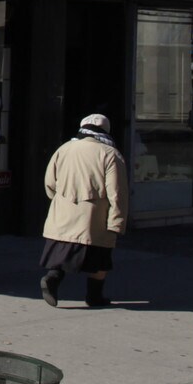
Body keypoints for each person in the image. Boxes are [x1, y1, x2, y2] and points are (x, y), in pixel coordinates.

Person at [41, 112, 129, 308]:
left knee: (60, 252)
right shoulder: (110, 154)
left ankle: (52, 278)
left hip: (62, 214)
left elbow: (49, 183)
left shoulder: (64, 149)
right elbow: (117, 192)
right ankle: (94, 296)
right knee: (99, 258)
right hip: (93, 219)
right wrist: (117, 221)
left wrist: (60, 201)